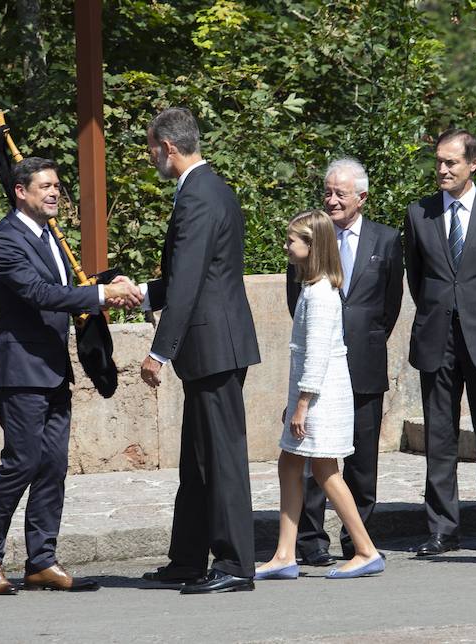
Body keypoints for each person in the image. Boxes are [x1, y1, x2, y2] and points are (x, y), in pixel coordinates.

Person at [0, 157, 142, 595]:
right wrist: (104, 293)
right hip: (20, 369)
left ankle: (41, 562)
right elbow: (39, 293)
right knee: (21, 464)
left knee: (52, 466)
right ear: (20, 192)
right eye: (44, 186)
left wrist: (107, 281)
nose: (54, 193)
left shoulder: (49, 237)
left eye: (57, 186)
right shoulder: (3, 241)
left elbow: (65, 284)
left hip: (52, 369)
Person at [138, 107, 262, 594]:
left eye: (151, 149)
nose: (151, 158)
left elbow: (189, 281)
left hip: (214, 344)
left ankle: (234, 565)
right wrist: (140, 294)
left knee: (223, 457)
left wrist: (159, 352)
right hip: (213, 344)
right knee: (197, 458)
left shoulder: (198, 196)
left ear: (169, 147)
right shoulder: (207, 188)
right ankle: (187, 559)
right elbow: (187, 276)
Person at [404, 128, 476, 556]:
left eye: (451, 162)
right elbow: (417, 279)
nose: (442, 169)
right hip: (437, 339)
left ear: (473, 164)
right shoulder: (420, 213)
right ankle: (442, 529)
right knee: (439, 437)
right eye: (438, 161)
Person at [286, 158, 404, 565]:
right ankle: (310, 542)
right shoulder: (313, 236)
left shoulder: (386, 240)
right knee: (315, 457)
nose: (332, 200)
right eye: (328, 191)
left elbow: (389, 306)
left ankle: (358, 542)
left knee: (362, 462)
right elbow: (295, 300)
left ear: (362, 197)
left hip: (365, 363)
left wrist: (363, 341)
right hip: (320, 367)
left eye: (340, 193)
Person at [257, 210, 385, 580]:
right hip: (314, 396)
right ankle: (285, 553)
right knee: (290, 464)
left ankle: (365, 549)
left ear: (311, 246)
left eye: (292, 240)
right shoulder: (315, 289)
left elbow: (316, 356)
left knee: (326, 471)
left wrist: (300, 405)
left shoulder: (321, 294)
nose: (286, 246)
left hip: (321, 399)